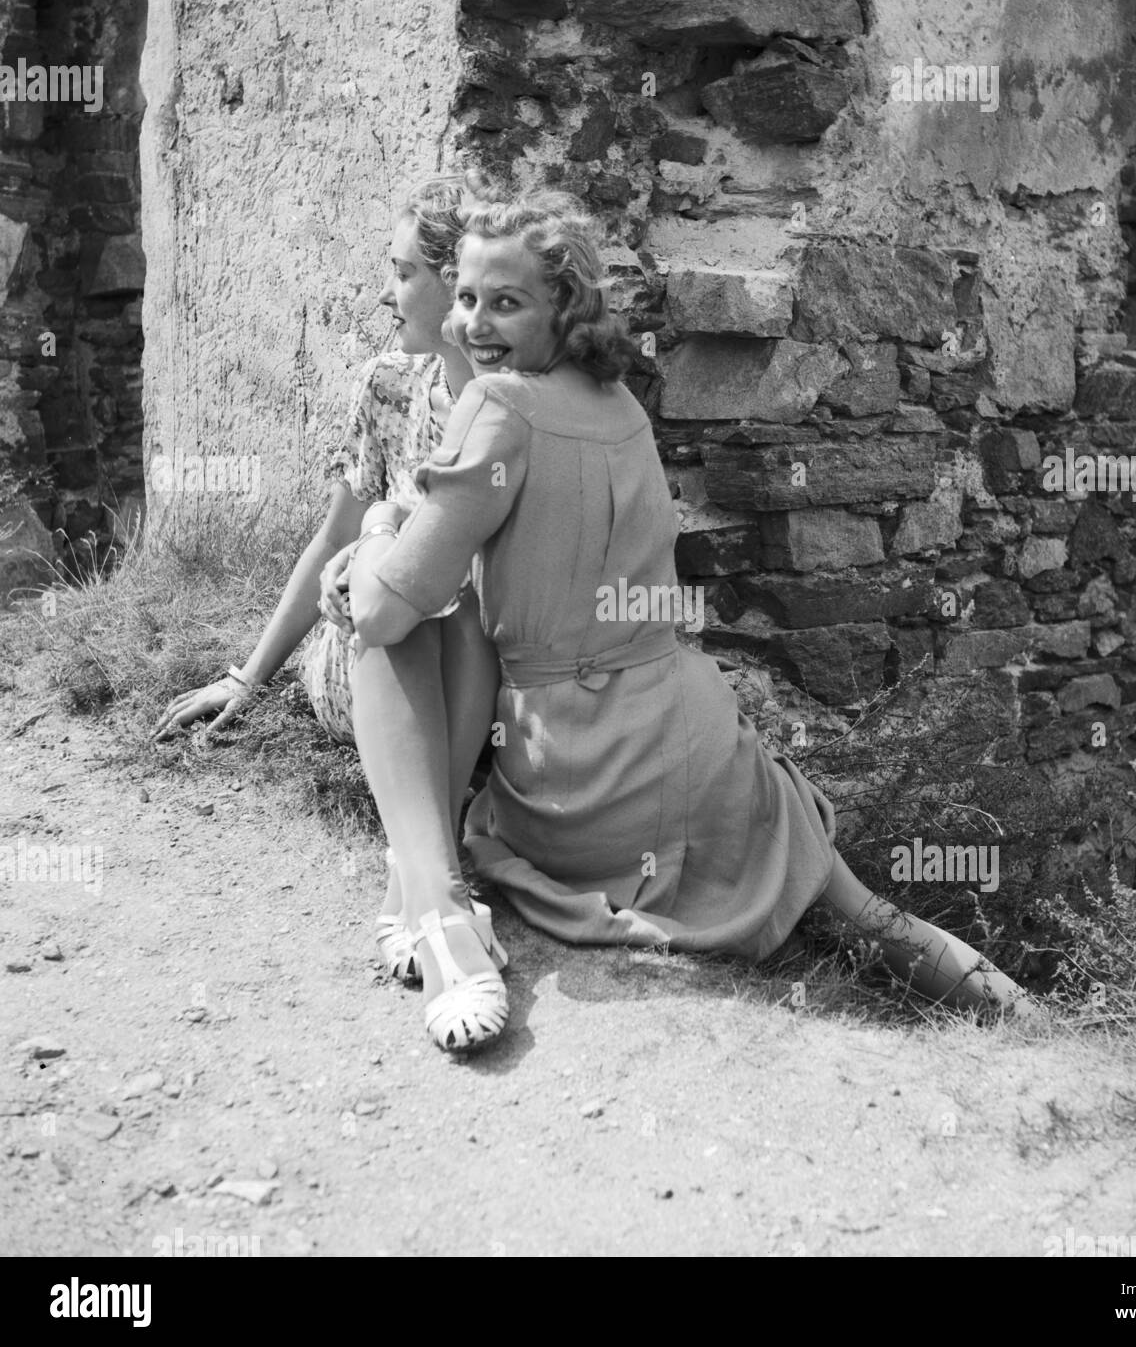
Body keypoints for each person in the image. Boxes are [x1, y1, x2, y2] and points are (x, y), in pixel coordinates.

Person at [334, 189, 1034, 1055]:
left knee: (378, 624)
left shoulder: (499, 409)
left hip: (583, 774)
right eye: (467, 297)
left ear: (566, 305)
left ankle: (431, 898)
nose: (474, 322)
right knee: (866, 911)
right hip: (696, 737)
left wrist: (372, 530)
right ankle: (1041, 1028)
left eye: (505, 302)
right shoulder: (617, 403)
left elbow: (383, 604)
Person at [153, 174, 501, 982]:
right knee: (391, 594)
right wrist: (246, 676)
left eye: (403, 272)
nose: (387, 293)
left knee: (452, 595)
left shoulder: (510, 406)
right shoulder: (388, 383)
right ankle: (437, 871)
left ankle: (414, 886)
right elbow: (336, 535)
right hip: (369, 652)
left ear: (456, 284)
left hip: (483, 669)